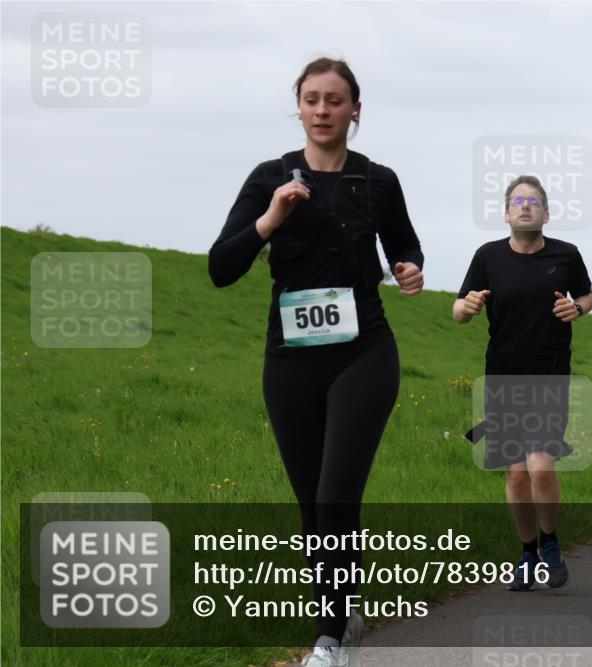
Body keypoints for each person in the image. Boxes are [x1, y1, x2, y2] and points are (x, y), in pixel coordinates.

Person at [209, 58, 424, 667]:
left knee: (335, 494)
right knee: (314, 504)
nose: (323, 110)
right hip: (291, 356)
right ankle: (346, 606)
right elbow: (222, 267)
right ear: (298, 107)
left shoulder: (379, 180)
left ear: (356, 110)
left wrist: (409, 268)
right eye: (312, 99)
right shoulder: (268, 177)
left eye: (336, 100)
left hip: (364, 350)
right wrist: (271, 218)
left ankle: (329, 639)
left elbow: (404, 244)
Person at [454, 175, 592, 591]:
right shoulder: (488, 257)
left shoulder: (565, 255)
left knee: (540, 465)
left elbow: (587, 294)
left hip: (549, 373)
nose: (525, 206)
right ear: (506, 212)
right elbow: (458, 311)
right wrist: (469, 306)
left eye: (534, 201)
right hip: (503, 376)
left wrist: (578, 309)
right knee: (515, 476)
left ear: (546, 214)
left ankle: (551, 543)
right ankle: (528, 552)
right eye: (518, 200)